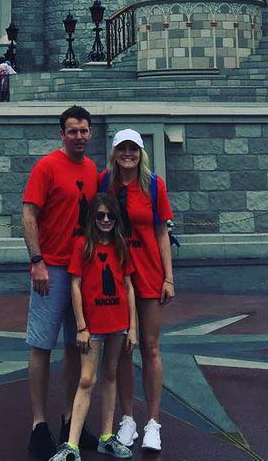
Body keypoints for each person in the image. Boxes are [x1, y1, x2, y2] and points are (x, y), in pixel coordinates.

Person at [22, 106, 99, 460]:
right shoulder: (46, 167)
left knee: (75, 346)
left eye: (84, 131)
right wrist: (36, 261)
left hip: (81, 272)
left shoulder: (92, 170)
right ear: (62, 134)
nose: (79, 137)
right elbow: (29, 212)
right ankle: (39, 424)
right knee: (41, 345)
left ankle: (72, 420)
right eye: (73, 131)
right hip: (51, 269)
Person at [102, 130, 174, 455]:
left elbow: (161, 233)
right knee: (123, 350)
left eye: (133, 149)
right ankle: (128, 418)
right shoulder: (105, 183)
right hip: (117, 276)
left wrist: (169, 278)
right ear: (115, 152)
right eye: (122, 148)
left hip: (148, 274)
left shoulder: (154, 185)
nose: (127, 154)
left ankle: (153, 423)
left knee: (150, 347)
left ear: (141, 152)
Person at [50, 194, 137, 460]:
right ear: (93, 218)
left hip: (118, 322)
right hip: (93, 325)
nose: (106, 220)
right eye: (100, 215)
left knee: (110, 374)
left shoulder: (121, 246)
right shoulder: (82, 246)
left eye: (110, 215)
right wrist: (81, 326)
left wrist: (132, 327)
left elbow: (129, 286)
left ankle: (107, 436)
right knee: (87, 379)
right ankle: (71, 444)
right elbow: (75, 285)